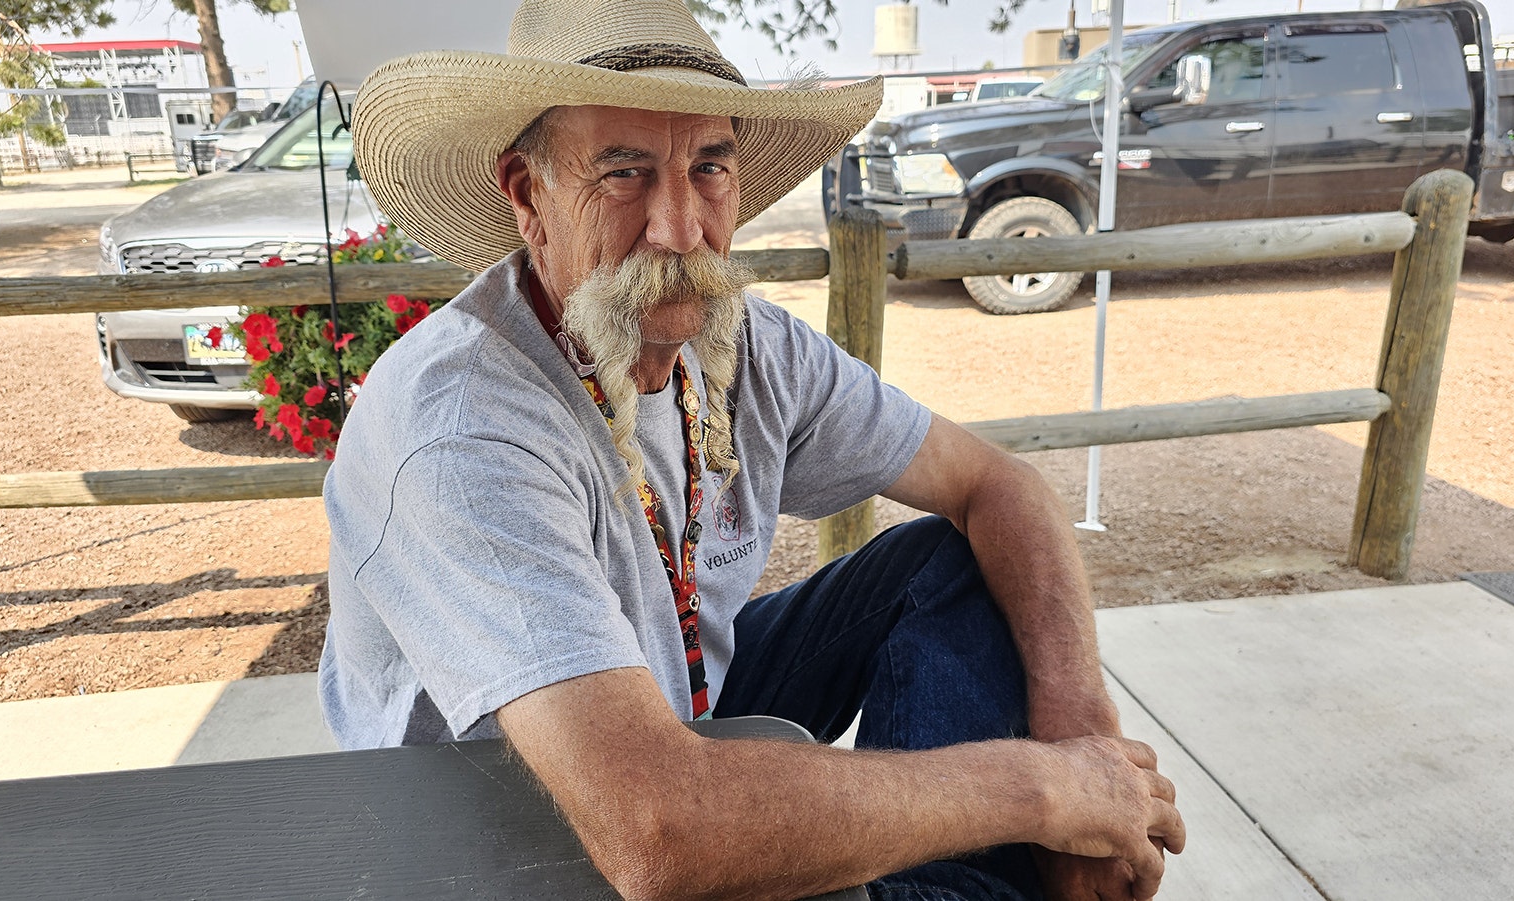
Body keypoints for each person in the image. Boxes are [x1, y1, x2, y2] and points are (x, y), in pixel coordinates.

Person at [320, 0, 1186, 898]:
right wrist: (1045, 791)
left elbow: (997, 485)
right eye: (623, 173)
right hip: (506, 813)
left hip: (677, 712)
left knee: (948, 563)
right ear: (529, 195)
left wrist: (1085, 739)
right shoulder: (463, 426)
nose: (680, 228)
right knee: (706, 818)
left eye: (709, 167)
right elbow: (655, 830)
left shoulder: (742, 345)